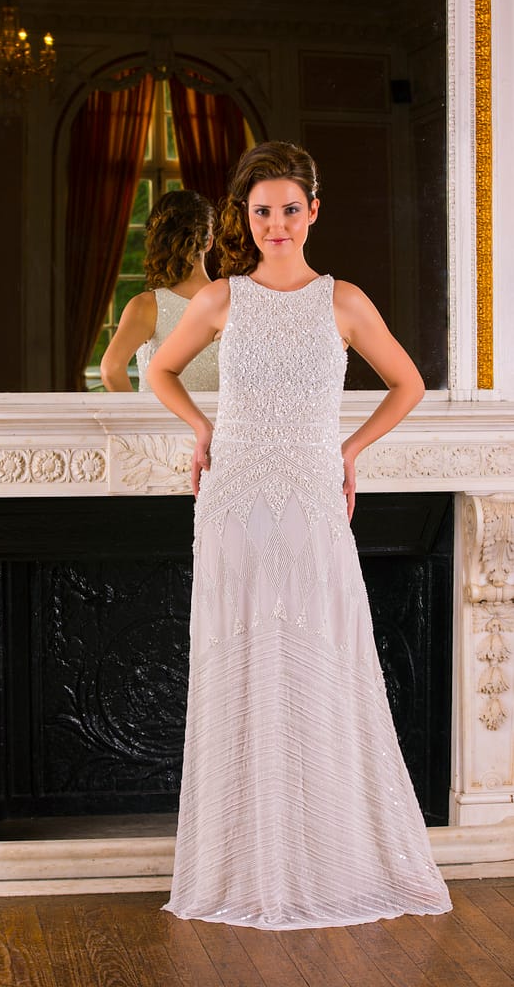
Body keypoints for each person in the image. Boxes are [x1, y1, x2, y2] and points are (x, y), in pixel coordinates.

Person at [147, 141, 452, 930]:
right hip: (234, 499)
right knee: (240, 658)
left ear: (312, 212)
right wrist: (203, 430)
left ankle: (326, 860)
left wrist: (349, 450)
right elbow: (160, 372)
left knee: (322, 657)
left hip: (313, 498)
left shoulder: (343, 302)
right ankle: (244, 866)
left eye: (288, 209)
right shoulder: (220, 300)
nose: (275, 223)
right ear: (242, 217)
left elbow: (408, 383)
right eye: (260, 211)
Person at [100, 190, 219, 392]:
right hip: (222, 423)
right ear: (208, 241)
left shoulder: (146, 306)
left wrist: (139, 420)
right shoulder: (233, 301)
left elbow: (111, 369)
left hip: (161, 423)